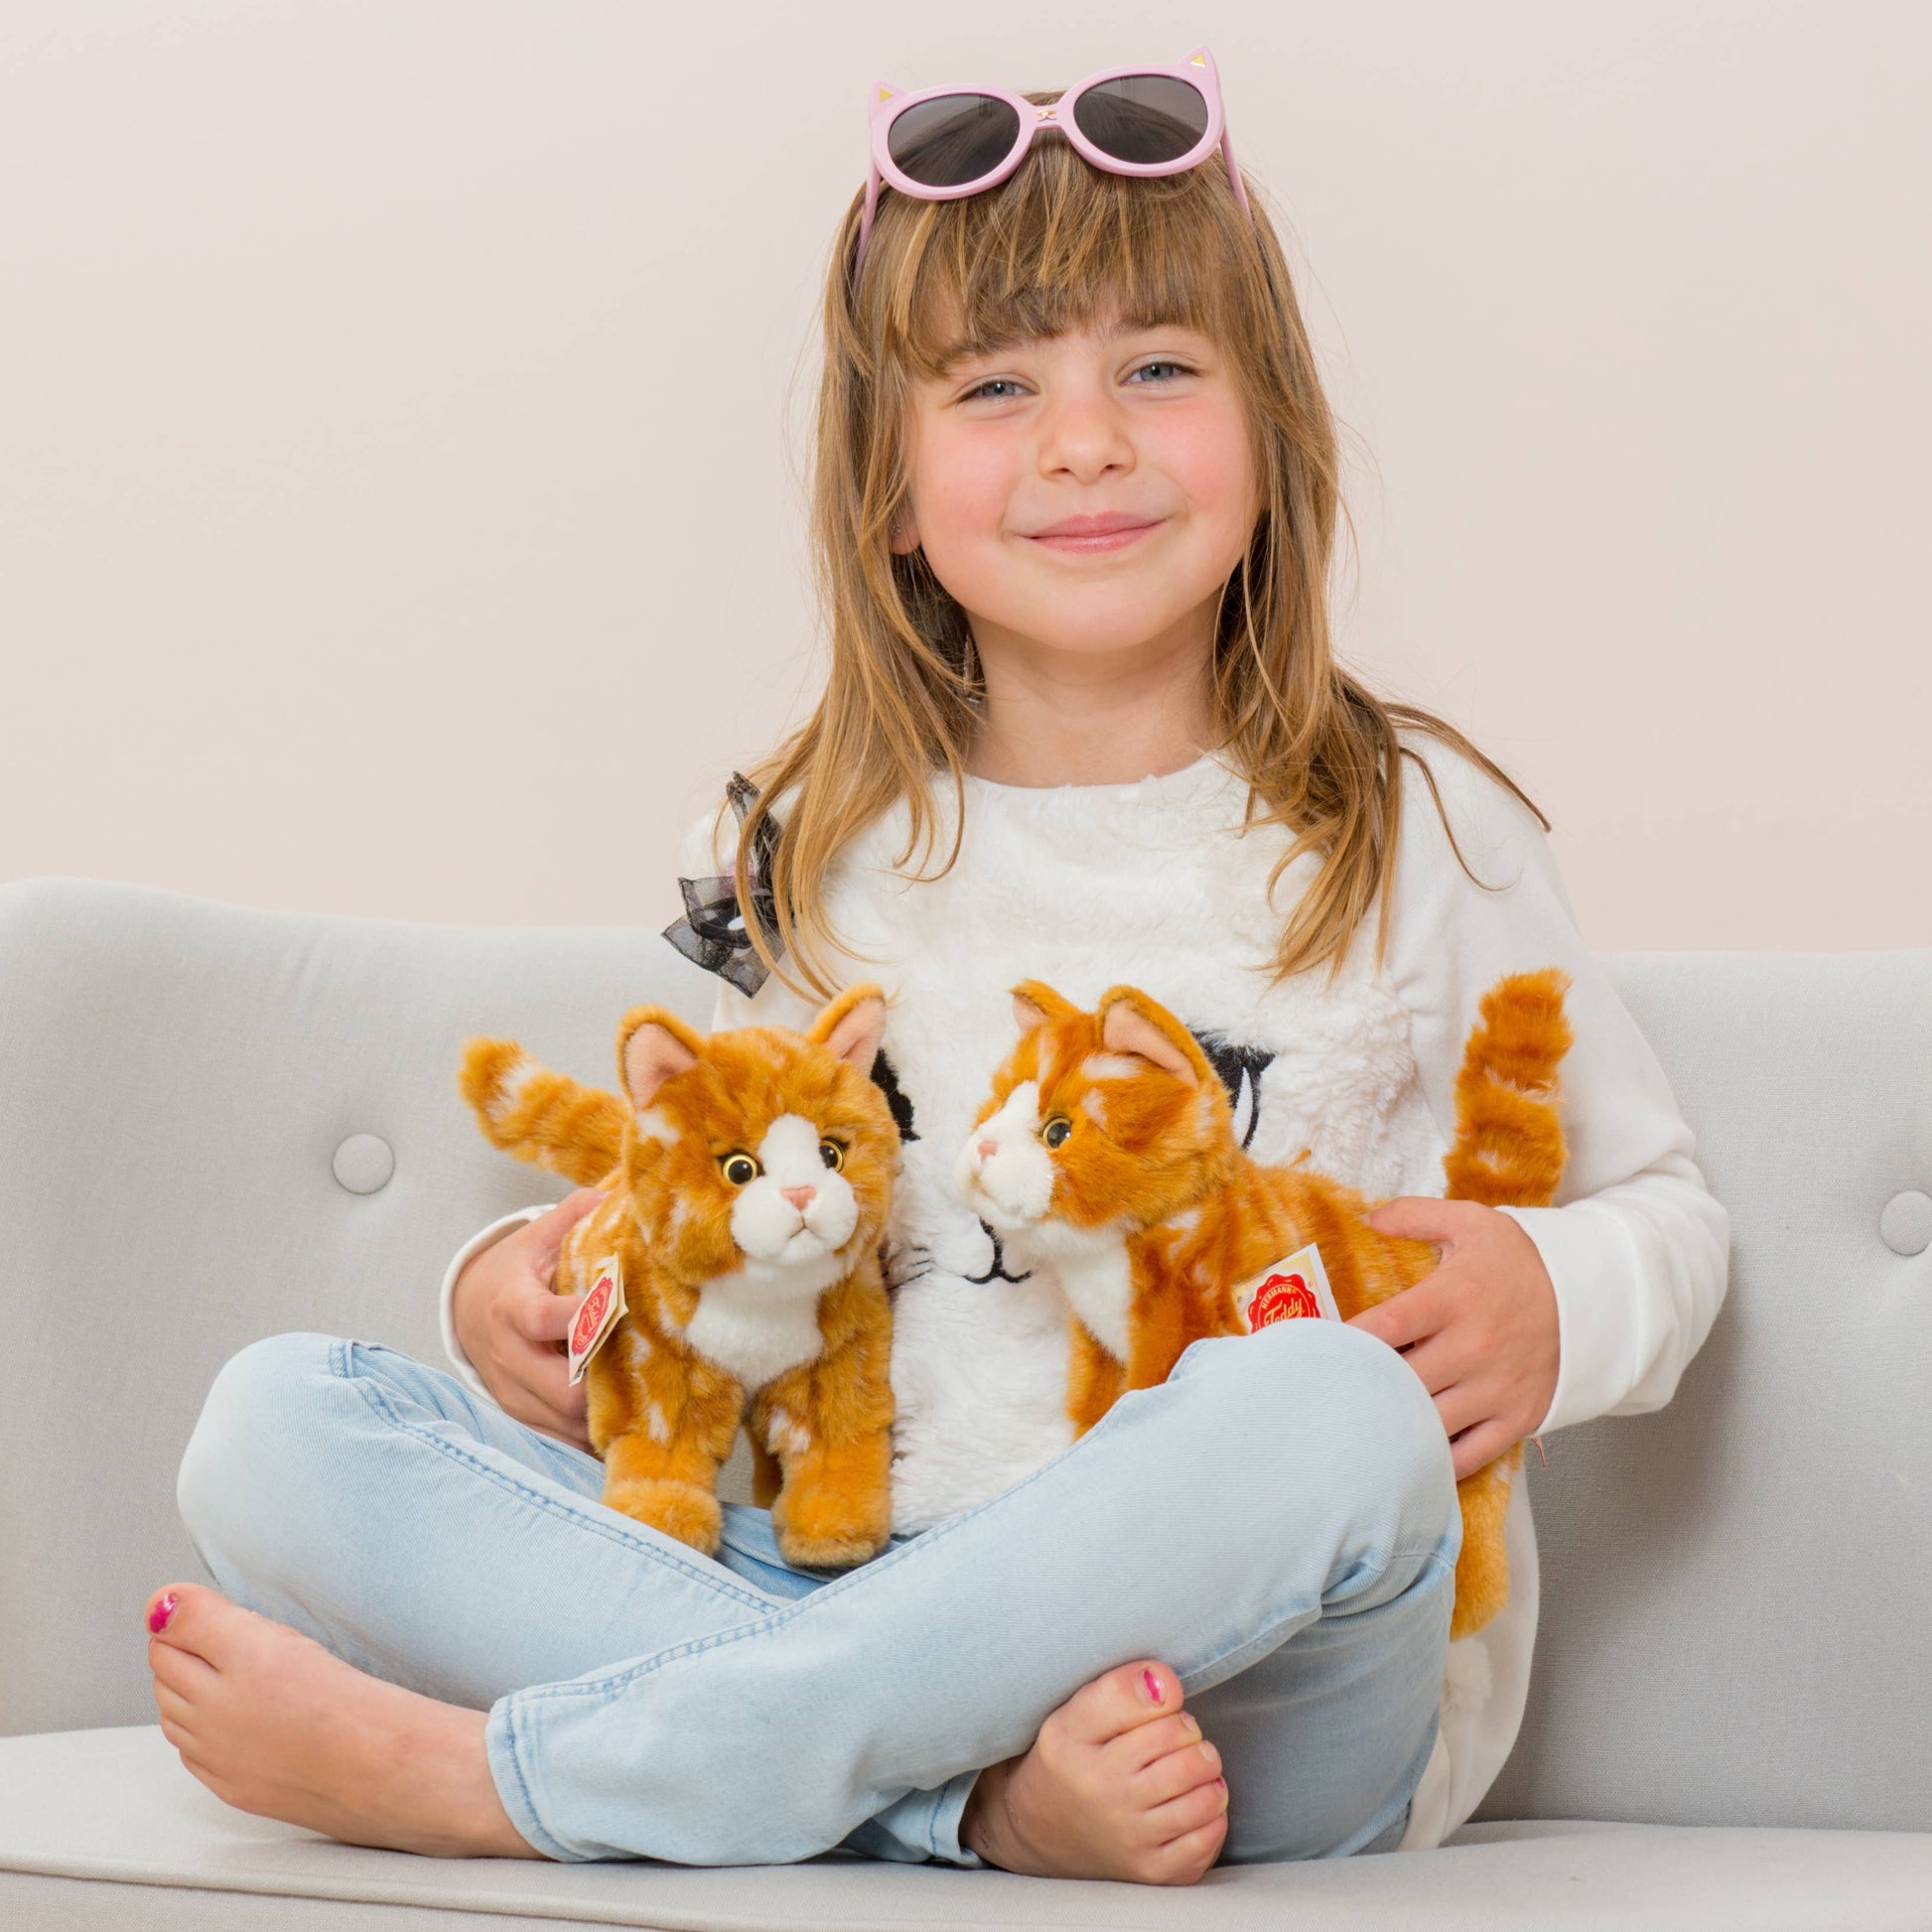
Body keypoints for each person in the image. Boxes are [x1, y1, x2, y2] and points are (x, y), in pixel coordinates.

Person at [142, 49, 1728, 1884]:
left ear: (1272, 429)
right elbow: (705, 1203)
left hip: (1234, 1693)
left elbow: (1666, 1210)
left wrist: (1555, 1298)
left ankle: (517, 1786)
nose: (1085, 441)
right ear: (889, 490)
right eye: (993, 387)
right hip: (828, 1581)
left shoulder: (1412, 822)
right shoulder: (797, 838)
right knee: (272, 1430)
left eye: (1159, 367)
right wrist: (522, 1287)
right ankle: (952, 1811)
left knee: (1329, 1405)